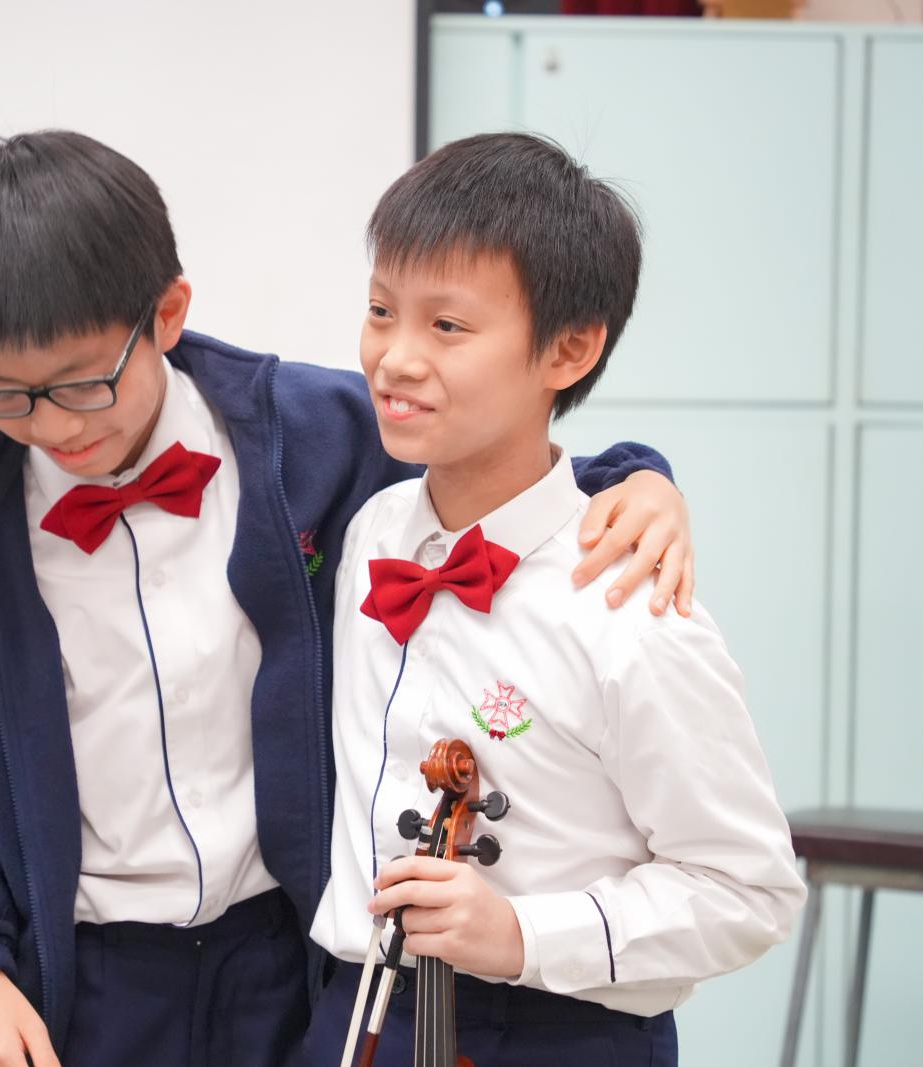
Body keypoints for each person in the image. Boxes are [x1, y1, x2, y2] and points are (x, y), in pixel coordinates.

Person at [0, 129, 695, 1067]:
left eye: (82, 384)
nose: (51, 425)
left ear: (167, 314)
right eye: (6, 394)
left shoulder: (317, 441)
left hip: (288, 967)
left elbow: (497, 464)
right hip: (83, 986)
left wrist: (637, 478)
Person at [301, 132, 805, 1066]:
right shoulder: (371, 531)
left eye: (447, 327)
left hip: (555, 1028)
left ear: (568, 349)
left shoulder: (629, 605)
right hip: (360, 1015)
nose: (395, 358)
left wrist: (525, 933)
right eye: (380, 310)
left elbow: (750, 890)